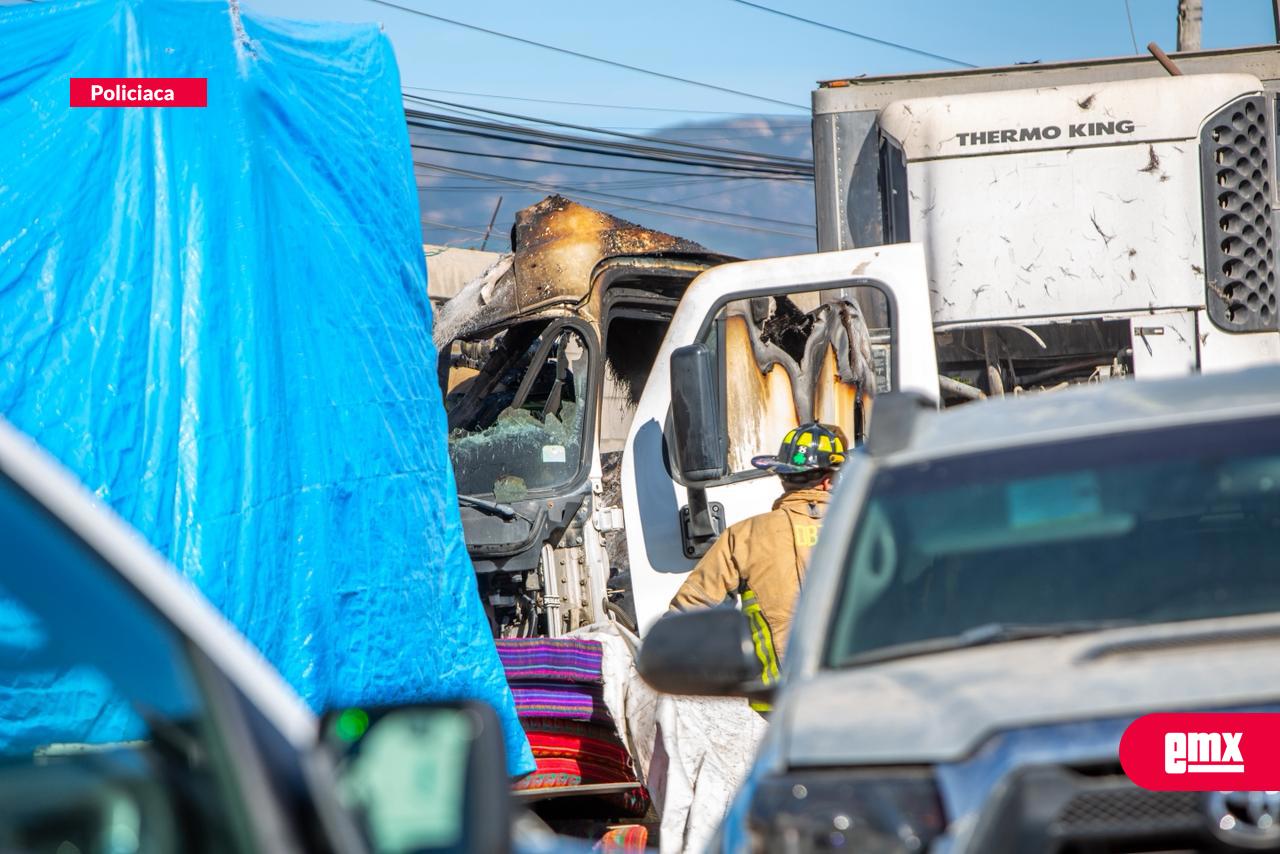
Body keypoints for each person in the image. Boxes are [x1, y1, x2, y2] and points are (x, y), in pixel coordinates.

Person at [668, 422, 847, 689]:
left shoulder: (743, 537)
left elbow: (684, 623)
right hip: (874, 708)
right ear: (830, 480)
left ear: (782, 477)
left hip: (779, 714)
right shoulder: (871, 528)